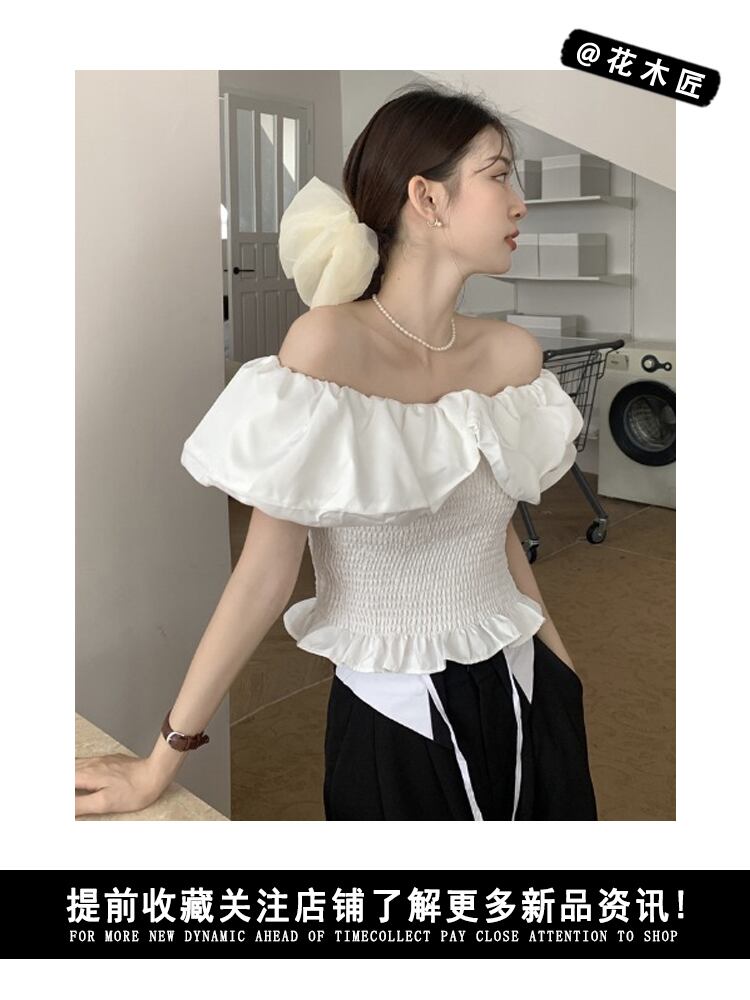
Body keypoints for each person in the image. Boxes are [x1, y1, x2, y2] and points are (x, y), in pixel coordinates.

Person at [75, 81, 598, 821]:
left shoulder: (511, 356)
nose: (519, 204)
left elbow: (494, 530)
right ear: (427, 197)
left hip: (525, 689)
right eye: (498, 175)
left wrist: (562, 668)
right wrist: (162, 757)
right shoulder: (325, 347)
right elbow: (263, 576)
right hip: (393, 715)